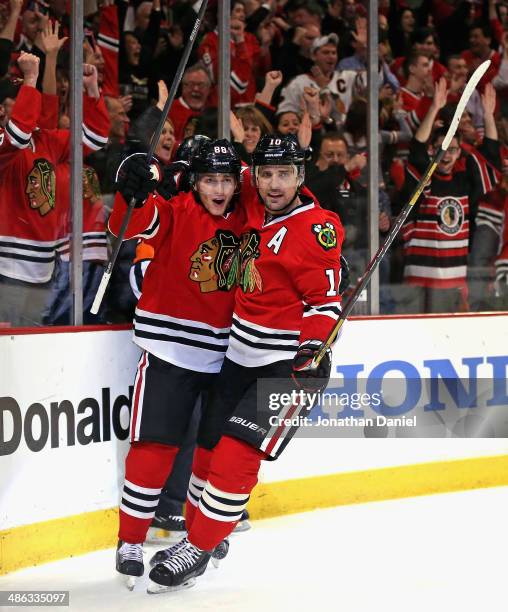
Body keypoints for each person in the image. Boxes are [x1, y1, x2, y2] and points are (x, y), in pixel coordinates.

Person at [147, 134, 345, 592]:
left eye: (284, 174)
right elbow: (212, 176)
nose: (274, 184)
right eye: (266, 173)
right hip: (239, 357)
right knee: (207, 452)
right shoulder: (254, 203)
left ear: (301, 176)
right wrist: (165, 169)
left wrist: (310, 352)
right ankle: (204, 536)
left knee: (237, 455)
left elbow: (324, 305)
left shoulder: (316, 229)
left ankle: (197, 548)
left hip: (288, 367)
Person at [109, 139, 250, 588]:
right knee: (155, 447)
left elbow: (275, 190)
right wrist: (129, 189)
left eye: (227, 179)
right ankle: (130, 539)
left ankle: (193, 538)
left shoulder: (250, 219)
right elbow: (128, 223)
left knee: (207, 456)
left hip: (227, 354)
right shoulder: (174, 210)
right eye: (210, 179)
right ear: (195, 180)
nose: (220, 188)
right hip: (170, 351)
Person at [400, 78, 500, 313]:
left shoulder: (464, 182)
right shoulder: (426, 180)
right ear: (433, 150)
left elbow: (491, 156)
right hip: (419, 276)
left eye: (453, 150)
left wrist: (487, 114)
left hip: (453, 278)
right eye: (441, 150)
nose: (446, 156)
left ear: (460, 151)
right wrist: (434, 108)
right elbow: (416, 149)